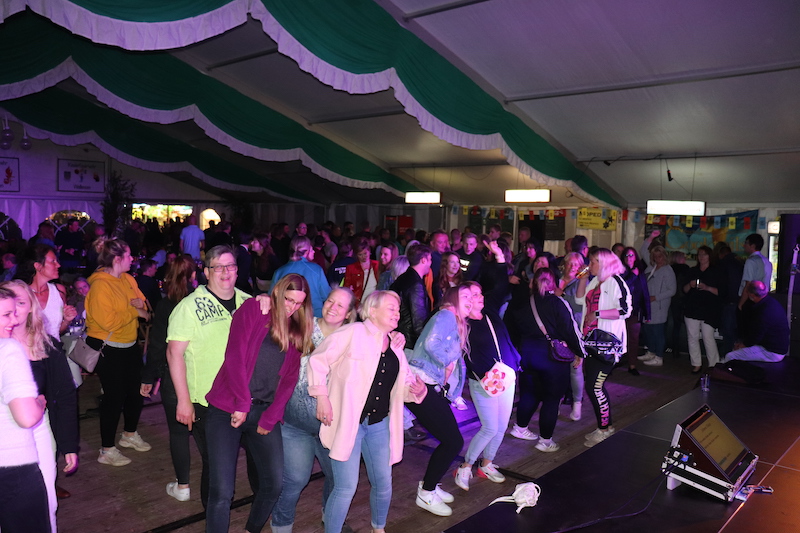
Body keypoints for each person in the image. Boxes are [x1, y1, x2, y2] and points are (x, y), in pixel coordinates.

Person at [308, 291, 426, 533]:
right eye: (391, 308)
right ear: (372, 311)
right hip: (347, 423)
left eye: (398, 309)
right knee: (345, 487)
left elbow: (402, 386)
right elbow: (317, 361)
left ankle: (378, 529)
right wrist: (321, 397)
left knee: (383, 482)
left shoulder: (395, 346)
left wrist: (417, 390)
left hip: (379, 425)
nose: (397, 313)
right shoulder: (352, 333)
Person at [204, 274, 313, 533]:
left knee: (273, 484)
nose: (292, 307)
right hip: (227, 407)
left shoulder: (296, 329)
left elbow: (289, 379)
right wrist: (242, 403)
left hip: (263, 411)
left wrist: (271, 416)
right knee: (222, 492)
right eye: (288, 299)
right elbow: (234, 356)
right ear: (277, 293)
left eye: (298, 303)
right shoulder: (255, 309)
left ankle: (250, 529)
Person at [166, 245, 251, 504]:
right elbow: (174, 354)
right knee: (215, 466)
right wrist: (183, 401)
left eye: (230, 266)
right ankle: (212, 515)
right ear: (206, 272)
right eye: (218, 267)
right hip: (206, 401)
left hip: (243, 398)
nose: (225, 272)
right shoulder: (189, 307)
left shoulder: (248, 303)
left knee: (255, 459)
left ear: (237, 270)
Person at [271, 287, 358, 533]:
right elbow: (273, 319)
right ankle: (281, 525)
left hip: (331, 426)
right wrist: (263, 300)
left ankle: (330, 515)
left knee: (336, 477)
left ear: (349, 313)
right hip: (295, 423)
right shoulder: (303, 327)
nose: (332, 307)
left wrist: (395, 337)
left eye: (340, 305)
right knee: (296, 479)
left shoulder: (353, 337)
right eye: (330, 301)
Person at [2, 281, 78, 532]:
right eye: (9, 302)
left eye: (20, 302)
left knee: (47, 500)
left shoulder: (47, 345)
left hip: (38, 429)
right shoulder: (5, 347)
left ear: (31, 308)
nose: (14, 309)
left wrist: (68, 444)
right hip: (6, 438)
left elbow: (65, 395)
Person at [406, 285, 472, 517]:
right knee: (453, 441)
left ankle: (429, 485)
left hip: (428, 384)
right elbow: (431, 345)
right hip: (421, 382)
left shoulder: (454, 321)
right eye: (465, 296)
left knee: (451, 440)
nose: (470, 300)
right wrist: (449, 361)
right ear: (453, 298)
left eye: (473, 296)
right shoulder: (446, 314)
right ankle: (427, 492)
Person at [85, 239, 151, 466]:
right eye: (129, 255)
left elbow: (145, 307)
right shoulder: (100, 285)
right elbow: (108, 322)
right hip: (107, 347)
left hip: (129, 344)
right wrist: (134, 311)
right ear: (117, 259)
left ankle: (129, 434)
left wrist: (139, 308)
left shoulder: (128, 279)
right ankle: (106, 450)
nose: (132, 259)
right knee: (114, 398)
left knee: (136, 392)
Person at [505, 269, 584, 452]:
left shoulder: (522, 302)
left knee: (529, 393)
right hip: (551, 358)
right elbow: (570, 330)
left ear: (533, 283)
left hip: (527, 355)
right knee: (551, 399)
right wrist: (579, 352)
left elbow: (511, 328)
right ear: (553, 283)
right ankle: (545, 441)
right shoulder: (557, 303)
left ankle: (520, 428)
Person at [140, 256, 198, 502]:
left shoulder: (166, 305)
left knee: (178, 433)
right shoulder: (202, 302)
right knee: (205, 434)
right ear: (193, 276)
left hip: (174, 378)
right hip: (202, 376)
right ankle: (214, 484)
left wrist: (149, 377)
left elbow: (157, 345)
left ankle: (183, 486)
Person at [455, 281, 520, 491]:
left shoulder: (490, 314)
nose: (480, 297)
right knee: (490, 427)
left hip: (506, 377)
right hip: (484, 383)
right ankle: (465, 467)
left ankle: (486, 464)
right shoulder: (462, 324)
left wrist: (515, 361)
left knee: (501, 427)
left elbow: (501, 287)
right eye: (474, 294)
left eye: (480, 293)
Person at [0, 287, 50, 533]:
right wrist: (39, 403)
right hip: (12, 466)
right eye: (6, 314)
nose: (14, 320)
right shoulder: (7, 349)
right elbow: (27, 417)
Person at [576, 248, 631, 447]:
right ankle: (605, 427)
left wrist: (597, 314)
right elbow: (579, 299)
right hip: (591, 342)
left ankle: (605, 429)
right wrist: (582, 277)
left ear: (604, 263)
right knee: (592, 386)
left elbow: (625, 310)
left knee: (595, 387)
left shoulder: (615, 282)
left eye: (593, 262)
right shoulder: (595, 281)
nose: (590, 265)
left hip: (608, 344)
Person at [15, 244, 80, 385]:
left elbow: (57, 331)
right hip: (29, 357)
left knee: (62, 394)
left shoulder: (59, 291)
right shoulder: (20, 293)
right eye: (53, 261)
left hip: (55, 354)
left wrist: (67, 320)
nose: (58, 265)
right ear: (38, 266)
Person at [722, 281, 789, 363]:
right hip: (774, 347)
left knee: (730, 356)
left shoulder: (764, 311)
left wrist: (743, 345)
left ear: (752, 295)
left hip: (772, 352)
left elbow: (757, 335)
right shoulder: (770, 302)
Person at [554, 252, 587, 420]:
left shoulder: (581, 282)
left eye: (576, 264)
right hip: (555, 330)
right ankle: (556, 402)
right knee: (557, 369)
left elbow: (578, 305)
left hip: (573, 330)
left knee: (575, 368)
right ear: (564, 265)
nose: (573, 267)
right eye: (570, 263)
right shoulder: (556, 280)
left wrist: (562, 295)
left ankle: (577, 404)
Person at [681, 246, 724, 372]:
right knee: (692, 337)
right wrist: (690, 285)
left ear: (710, 256)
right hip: (692, 307)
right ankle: (696, 364)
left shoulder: (716, 271)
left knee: (708, 337)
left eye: (704, 254)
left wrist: (707, 288)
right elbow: (684, 290)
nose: (701, 257)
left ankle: (713, 365)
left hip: (709, 309)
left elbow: (721, 292)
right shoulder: (693, 271)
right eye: (699, 254)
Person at [272, 236, 331, 316]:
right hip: (313, 316)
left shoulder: (279, 271)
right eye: (311, 249)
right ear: (306, 252)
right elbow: (326, 295)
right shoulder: (316, 269)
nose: (314, 251)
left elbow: (272, 296)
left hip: (288, 316)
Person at [640, 245, 676, 368]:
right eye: (655, 256)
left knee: (657, 331)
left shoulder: (668, 270)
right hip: (648, 304)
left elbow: (672, 290)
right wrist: (650, 238)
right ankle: (651, 352)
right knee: (648, 329)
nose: (658, 258)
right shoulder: (652, 267)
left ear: (664, 256)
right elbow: (643, 250)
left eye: (660, 256)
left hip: (659, 305)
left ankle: (659, 356)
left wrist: (656, 297)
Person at [390, 244, 433, 348]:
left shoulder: (402, 278)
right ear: (423, 260)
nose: (431, 263)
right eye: (430, 259)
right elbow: (419, 321)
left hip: (400, 336)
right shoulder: (416, 285)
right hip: (410, 342)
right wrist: (425, 345)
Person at [621, 247, 650, 376]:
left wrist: (647, 313)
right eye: (626, 255)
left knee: (633, 338)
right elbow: (622, 287)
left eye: (631, 255)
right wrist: (633, 275)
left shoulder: (640, 272)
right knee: (620, 337)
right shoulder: (620, 271)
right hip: (621, 311)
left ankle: (632, 365)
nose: (629, 258)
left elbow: (645, 293)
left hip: (635, 311)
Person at [478, 239, 512, 316]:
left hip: (491, 302)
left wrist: (498, 254)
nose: (488, 253)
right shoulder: (508, 268)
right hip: (498, 302)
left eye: (490, 251)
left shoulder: (490, 268)